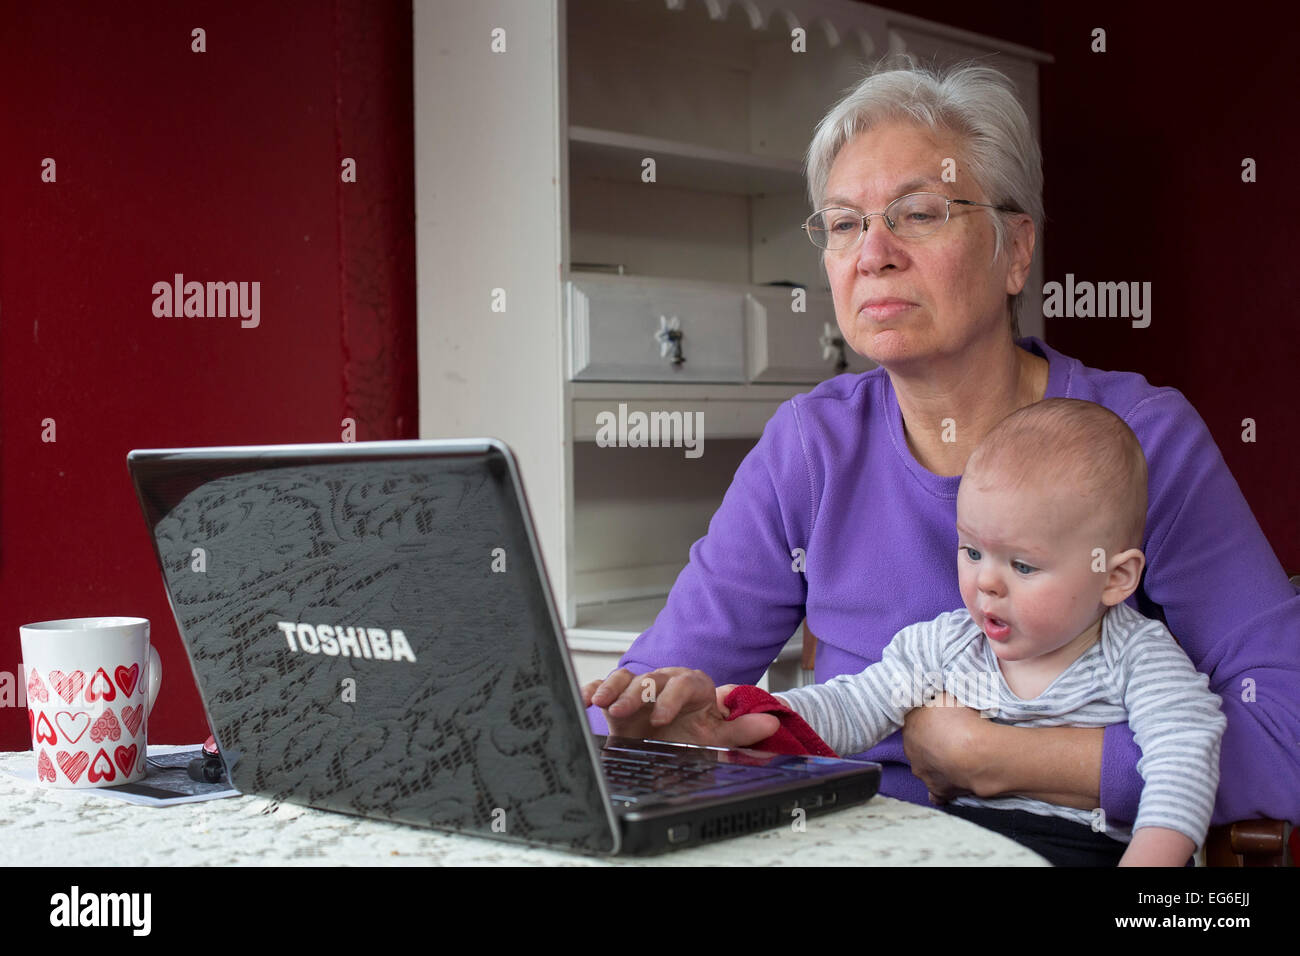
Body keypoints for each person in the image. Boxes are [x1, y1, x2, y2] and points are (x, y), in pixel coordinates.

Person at [583, 59, 1300, 853]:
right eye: (846, 223)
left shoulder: (1140, 436)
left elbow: (1287, 732)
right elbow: (639, 708)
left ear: (1015, 250)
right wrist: (673, 725)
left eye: (918, 214)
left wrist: (994, 758)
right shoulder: (810, 444)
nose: (874, 253)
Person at [586, 399, 1228, 866]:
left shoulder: (1139, 656)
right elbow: (855, 703)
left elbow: (1183, 760)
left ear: (1115, 579)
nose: (987, 585)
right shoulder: (948, 642)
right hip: (965, 842)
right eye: (972, 552)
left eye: (1023, 565)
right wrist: (756, 717)